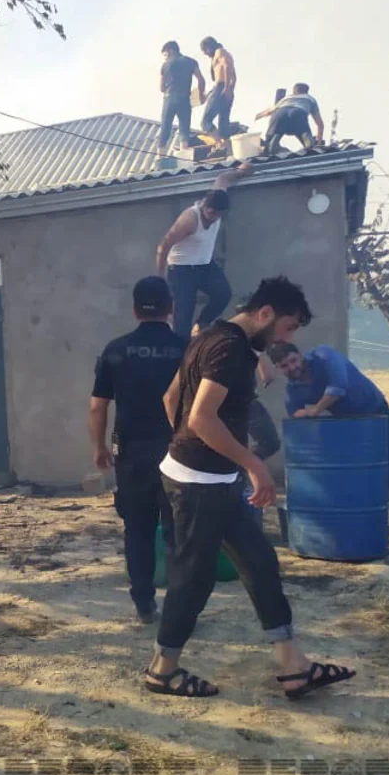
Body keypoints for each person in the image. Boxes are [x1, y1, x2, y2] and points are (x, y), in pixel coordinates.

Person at [146, 277, 356, 699]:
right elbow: (200, 419)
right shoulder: (230, 350)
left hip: (215, 480)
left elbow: (171, 398)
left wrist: (195, 450)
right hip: (199, 485)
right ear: (265, 314)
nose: (286, 339)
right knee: (194, 578)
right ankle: (162, 671)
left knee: (260, 563)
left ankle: (294, 667)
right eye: (287, 327)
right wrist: (253, 463)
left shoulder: (211, 337)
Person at [90, 277, 187, 624]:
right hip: (179, 454)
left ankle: (144, 604)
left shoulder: (116, 350)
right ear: (170, 307)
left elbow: (98, 406)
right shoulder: (187, 349)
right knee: (179, 532)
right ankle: (180, 608)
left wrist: (99, 447)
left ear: (134, 310)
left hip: (131, 454)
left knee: (138, 529)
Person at [267, 342, 389, 539]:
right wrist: (301, 416)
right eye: (284, 365)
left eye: (293, 360)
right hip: (344, 422)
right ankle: (364, 521)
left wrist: (315, 410)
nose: (292, 367)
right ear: (278, 369)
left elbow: (338, 387)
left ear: (300, 355)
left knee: (388, 467)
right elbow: (294, 414)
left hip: (375, 413)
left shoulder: (325, 356)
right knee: (353, 473)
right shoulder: (293, 389)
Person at [156, 162, 255, 340]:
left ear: (221, 213)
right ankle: (182, 350)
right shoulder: (189, 219)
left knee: (223, 294)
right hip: (181, 270)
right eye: (208, 213)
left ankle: (201, 324)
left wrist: (241, 172)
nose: (211, 217)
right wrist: (160, 278)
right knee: (182, 321)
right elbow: (164, 246)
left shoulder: (218, 196)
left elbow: (223, 179)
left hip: (204, 265)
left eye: (215, 215)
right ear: (204, 206)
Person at [157, 41, 207, 157]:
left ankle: (160, 156)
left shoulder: (165, 65)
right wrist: (201, 95)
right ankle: (183, 154)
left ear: (171, 50)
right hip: (184, 98)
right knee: (184, 128)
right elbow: (201, 80)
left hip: (170, 98)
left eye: (166, 54)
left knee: (165, 126)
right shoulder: (191, 62)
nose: (165, 57)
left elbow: (161, 88)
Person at [256, 83, 324, 153]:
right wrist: (319, 143)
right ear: (307, 91)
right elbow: (320, 124)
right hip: (298, 114)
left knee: (270, 145)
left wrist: (257, 116)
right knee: (310, 146)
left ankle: (269, 148)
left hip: (279, 114)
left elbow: (269, 111)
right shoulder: (310, 99)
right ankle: (310, 148)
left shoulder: (286, 98)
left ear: (293, 91)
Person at [199, 37, 237, 151]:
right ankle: (228, 149)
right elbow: (234, 77)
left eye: (205, 50)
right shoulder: (223, 54)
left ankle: (220, 144)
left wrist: (226, 87)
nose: (205, 53)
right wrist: (229, 88)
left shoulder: (219, 52)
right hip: (223, 88)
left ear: (209, 47)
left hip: (221, 88)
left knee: (205, 122)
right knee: (223, 124)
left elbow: (227, 65)